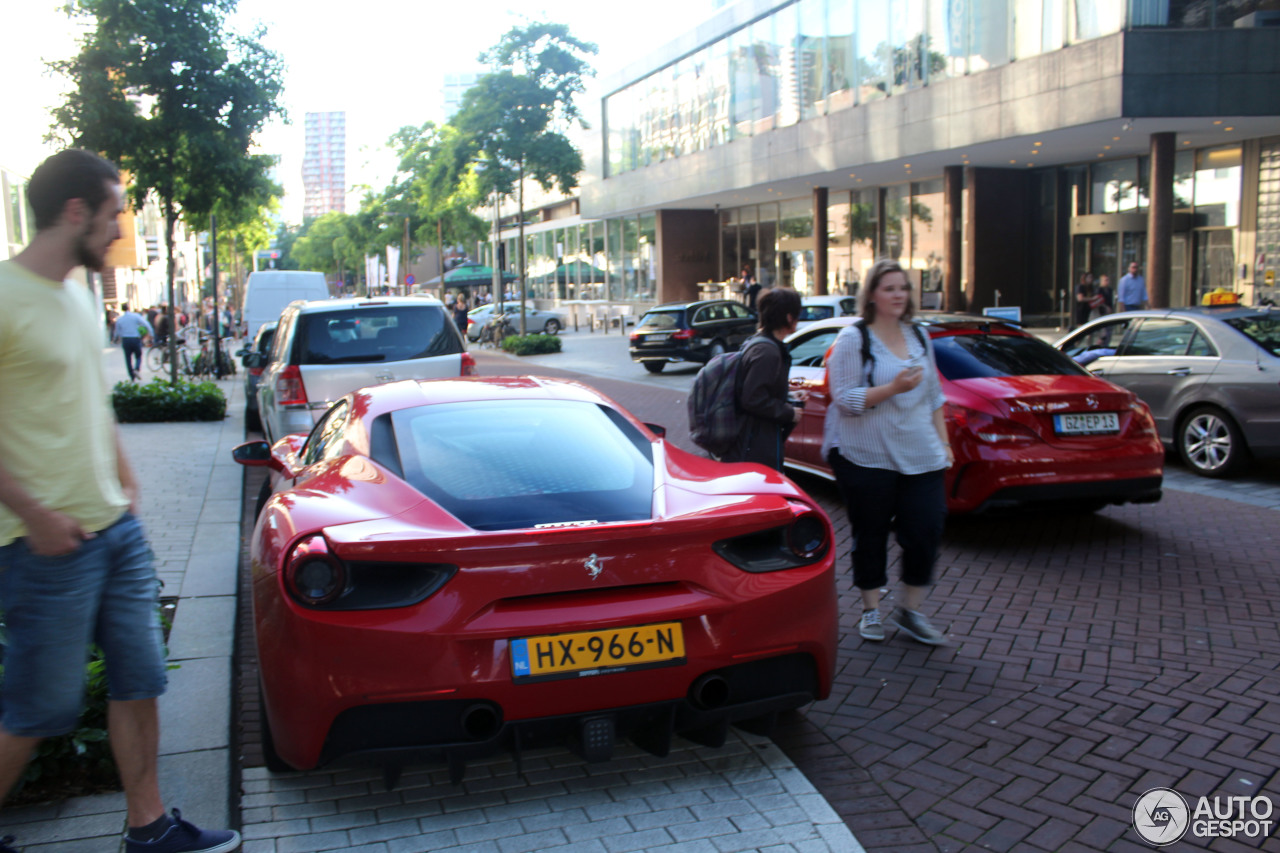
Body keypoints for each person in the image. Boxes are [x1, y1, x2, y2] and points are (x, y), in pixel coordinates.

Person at [0, 149, 240, 853]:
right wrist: (36, 514)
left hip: (113, 527)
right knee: (38, 710)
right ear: (74, 212)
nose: (117, 229)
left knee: (138, 677)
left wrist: (127, 479)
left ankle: (150, 827)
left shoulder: (78, 291)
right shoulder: (5, 298)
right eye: (111, 214)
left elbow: (87, 400)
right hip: (41, 542)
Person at [822, 258, 951, 646]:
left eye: (903, 288)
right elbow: (844, 399)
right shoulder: (854, 339)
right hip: (866, 453)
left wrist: (944, 442)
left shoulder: (919, 336)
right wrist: (891, 388)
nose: (899, 295)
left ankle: (910, 611)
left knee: (925, 529)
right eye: (890, 288)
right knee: (871, 533)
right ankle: (871, 609)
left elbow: (933, 396)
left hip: (921, 454)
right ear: (873, 295)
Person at [722, 287, 803, 470]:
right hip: (754, 446)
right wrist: (789, 412)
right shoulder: (767, 352)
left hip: (751, 441)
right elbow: (752, 398)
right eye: (798, 315)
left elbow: (758, 389)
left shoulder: (759, 343)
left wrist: (789, 395)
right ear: (789, 318)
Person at [112, 302, 152, 381]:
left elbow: (117, 331)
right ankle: (137, 368)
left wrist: (116, 338)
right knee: (138, 356)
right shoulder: (135, 316)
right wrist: (151, 333)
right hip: (135, 338)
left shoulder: (120, 319)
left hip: (126, 339)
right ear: (129, 308)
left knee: (128, 358)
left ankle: (132, 375)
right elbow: (146, 324)